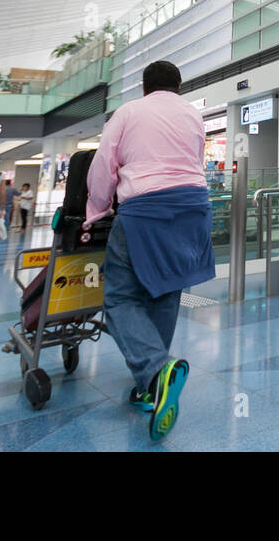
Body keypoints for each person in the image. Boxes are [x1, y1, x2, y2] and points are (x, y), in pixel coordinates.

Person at [87, 60, 214, 442]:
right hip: (193, 208)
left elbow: (102, 165)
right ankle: (148, 388)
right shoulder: (194, 116)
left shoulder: (128, 112)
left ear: (144, 88)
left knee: (121, 298)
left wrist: (97, 208)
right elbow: (193, 161)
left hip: (145, 209)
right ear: (178, 86)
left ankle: (156, 371)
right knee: (166, 290)